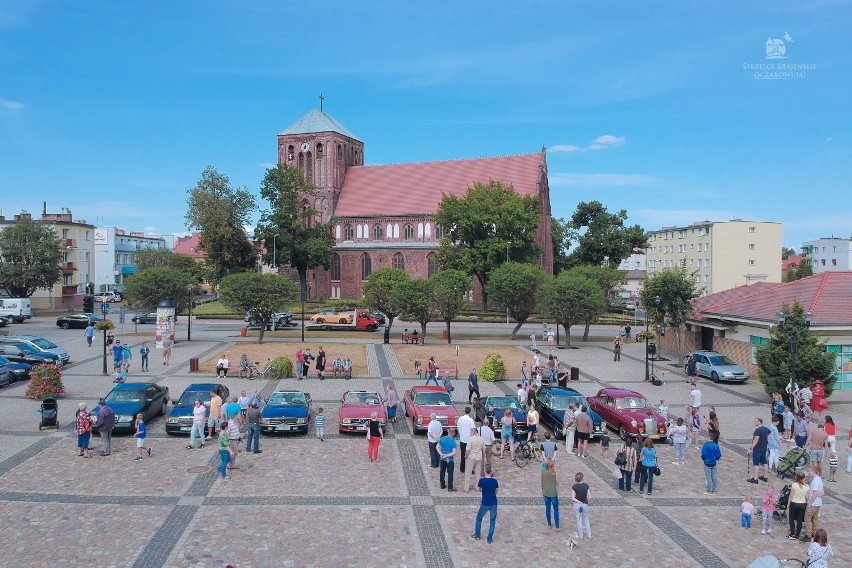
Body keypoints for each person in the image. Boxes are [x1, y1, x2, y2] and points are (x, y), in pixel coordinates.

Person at [472, 466, 498, 543]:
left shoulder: (482, 481)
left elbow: (479, 489)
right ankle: (489, 539)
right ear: (491, 471)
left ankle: (477, 535)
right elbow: (496, 491)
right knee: (492, 521)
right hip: (493, 503)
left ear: (485, 471)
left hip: (485, 503)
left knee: (478, 519)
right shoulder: (494, 481)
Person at [804, 462, 824, 541]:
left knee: (807, 518)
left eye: (810, 471)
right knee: (815, 519)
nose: (809, 473)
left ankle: (808, 534)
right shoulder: (819, 479)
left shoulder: (815, 481)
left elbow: (815, 492)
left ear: (814, 472)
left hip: (813, 503)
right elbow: (822, 492)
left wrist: (810, 503)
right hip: (818, 503)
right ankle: (815, 534)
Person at [748, 417, 770, 484]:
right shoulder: (766, 429)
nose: (755, 422)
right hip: (764, 447)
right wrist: (765, 439)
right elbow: (769, 434)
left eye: (755, 421)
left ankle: (755, 478)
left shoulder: (757, 430)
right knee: (764, 462)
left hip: (757, 448)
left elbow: (756, 440)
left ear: (759, 422)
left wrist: (751, 448)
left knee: (756, 463)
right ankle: (765, 476)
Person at [787, 471, 808, 540]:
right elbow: (807, 497)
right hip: (802, 504)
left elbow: (791, 496)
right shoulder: (807, 487)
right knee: (799, 519)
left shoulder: (794, 485)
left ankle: (792, 533)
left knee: (791, 518)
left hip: (794, 503)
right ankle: (797, 534)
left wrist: (788, 504)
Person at [571, 471, 592, 540]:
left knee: (579, 520)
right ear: (582, 478)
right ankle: (589, 535)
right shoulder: (586, 486)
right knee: (586, 519)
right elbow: (589, 496)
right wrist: (586, 502)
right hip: (585, 504)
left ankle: (581, 535)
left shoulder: (574, 487)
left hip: (577, 504)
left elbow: (573, 498)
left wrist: (579, 502)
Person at [541, 458, 560, 531]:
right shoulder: (554, 472)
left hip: (545, 493)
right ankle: (557, 527)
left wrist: (543, 489)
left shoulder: (543, 471)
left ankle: (549, 524)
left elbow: (542, 482)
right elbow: (558, 483)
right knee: (556, 510)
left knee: (547, 509)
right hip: (553, 493)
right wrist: (557, 474)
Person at [463, 427, 484, 492]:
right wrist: (483, 457)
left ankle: (466, 488)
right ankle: (477, 486)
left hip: (471, 457)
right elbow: (484, 449)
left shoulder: (470, 439)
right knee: (478, 473)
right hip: (479, 457)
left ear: (473, 432)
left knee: (468, 473)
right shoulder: (481, 439)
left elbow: (468, 450)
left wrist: (466, 456)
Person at [457, 407, 475, 473]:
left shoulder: (460, 419)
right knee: (469, 455)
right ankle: (469, 468)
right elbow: (473, 429)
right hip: (468, 439)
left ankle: (462, 468)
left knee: (462, 454)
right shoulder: (470, 420)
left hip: (462, 439)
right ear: (470, 412)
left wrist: (461, 434)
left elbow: (458, 428)